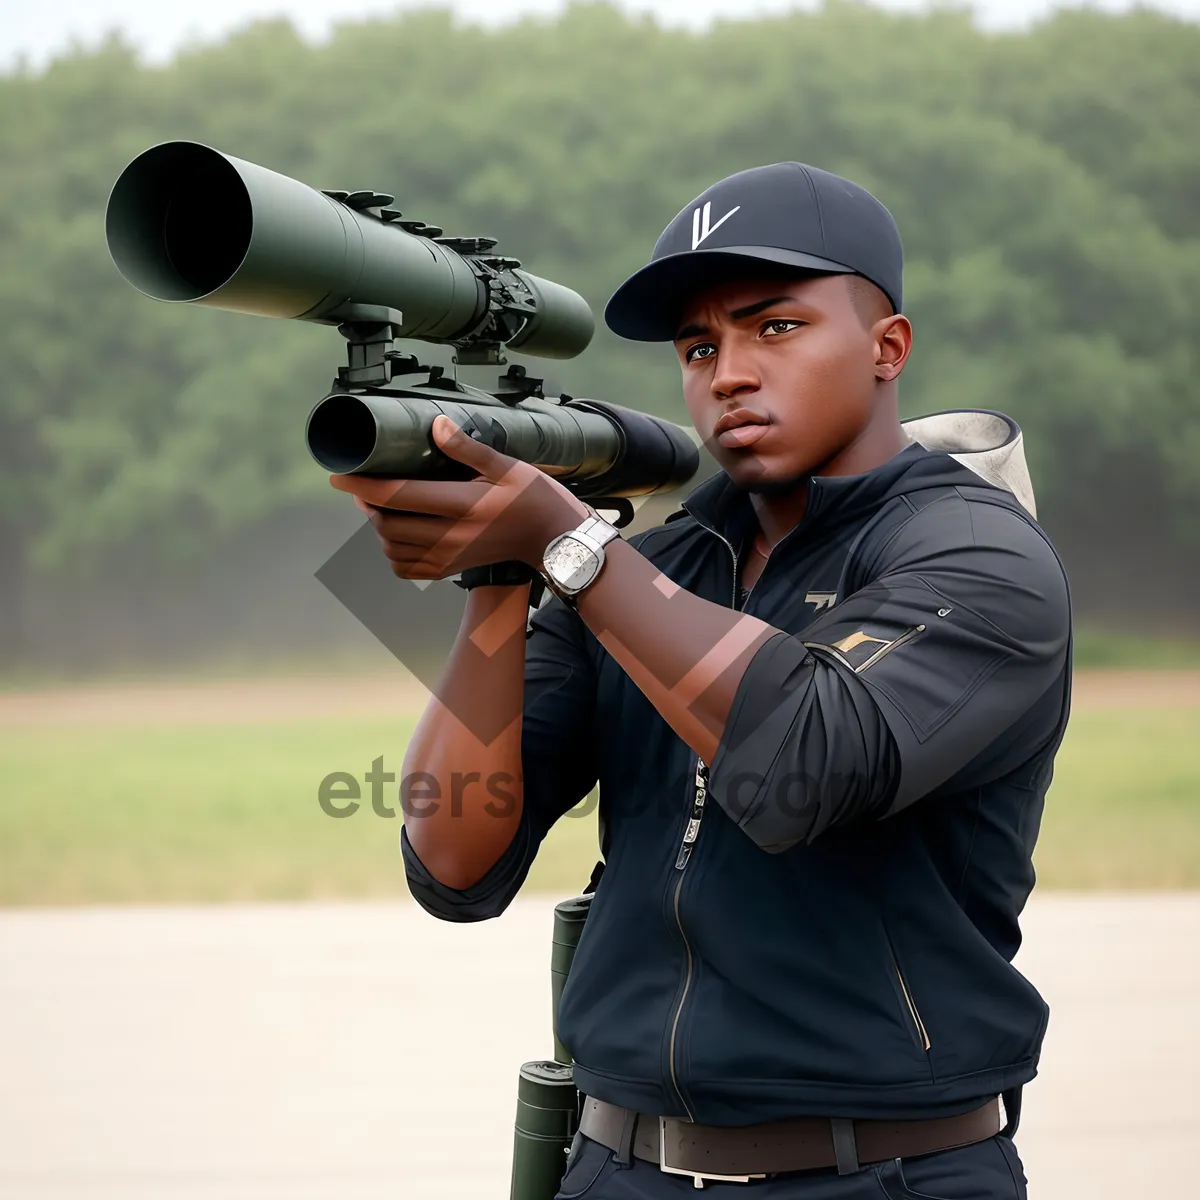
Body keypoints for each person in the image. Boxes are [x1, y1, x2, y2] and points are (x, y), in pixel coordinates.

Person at [331, 163, 1072, 1199]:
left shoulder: (977, 557)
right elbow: (455, 859)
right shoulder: (658, 568)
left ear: (887, 347)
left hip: (887, 1171)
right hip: (615, 1164)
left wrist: (569, 543)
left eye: (776, 327)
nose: (729, 372)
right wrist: (496, 575)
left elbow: (805, 761)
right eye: (699, 345)